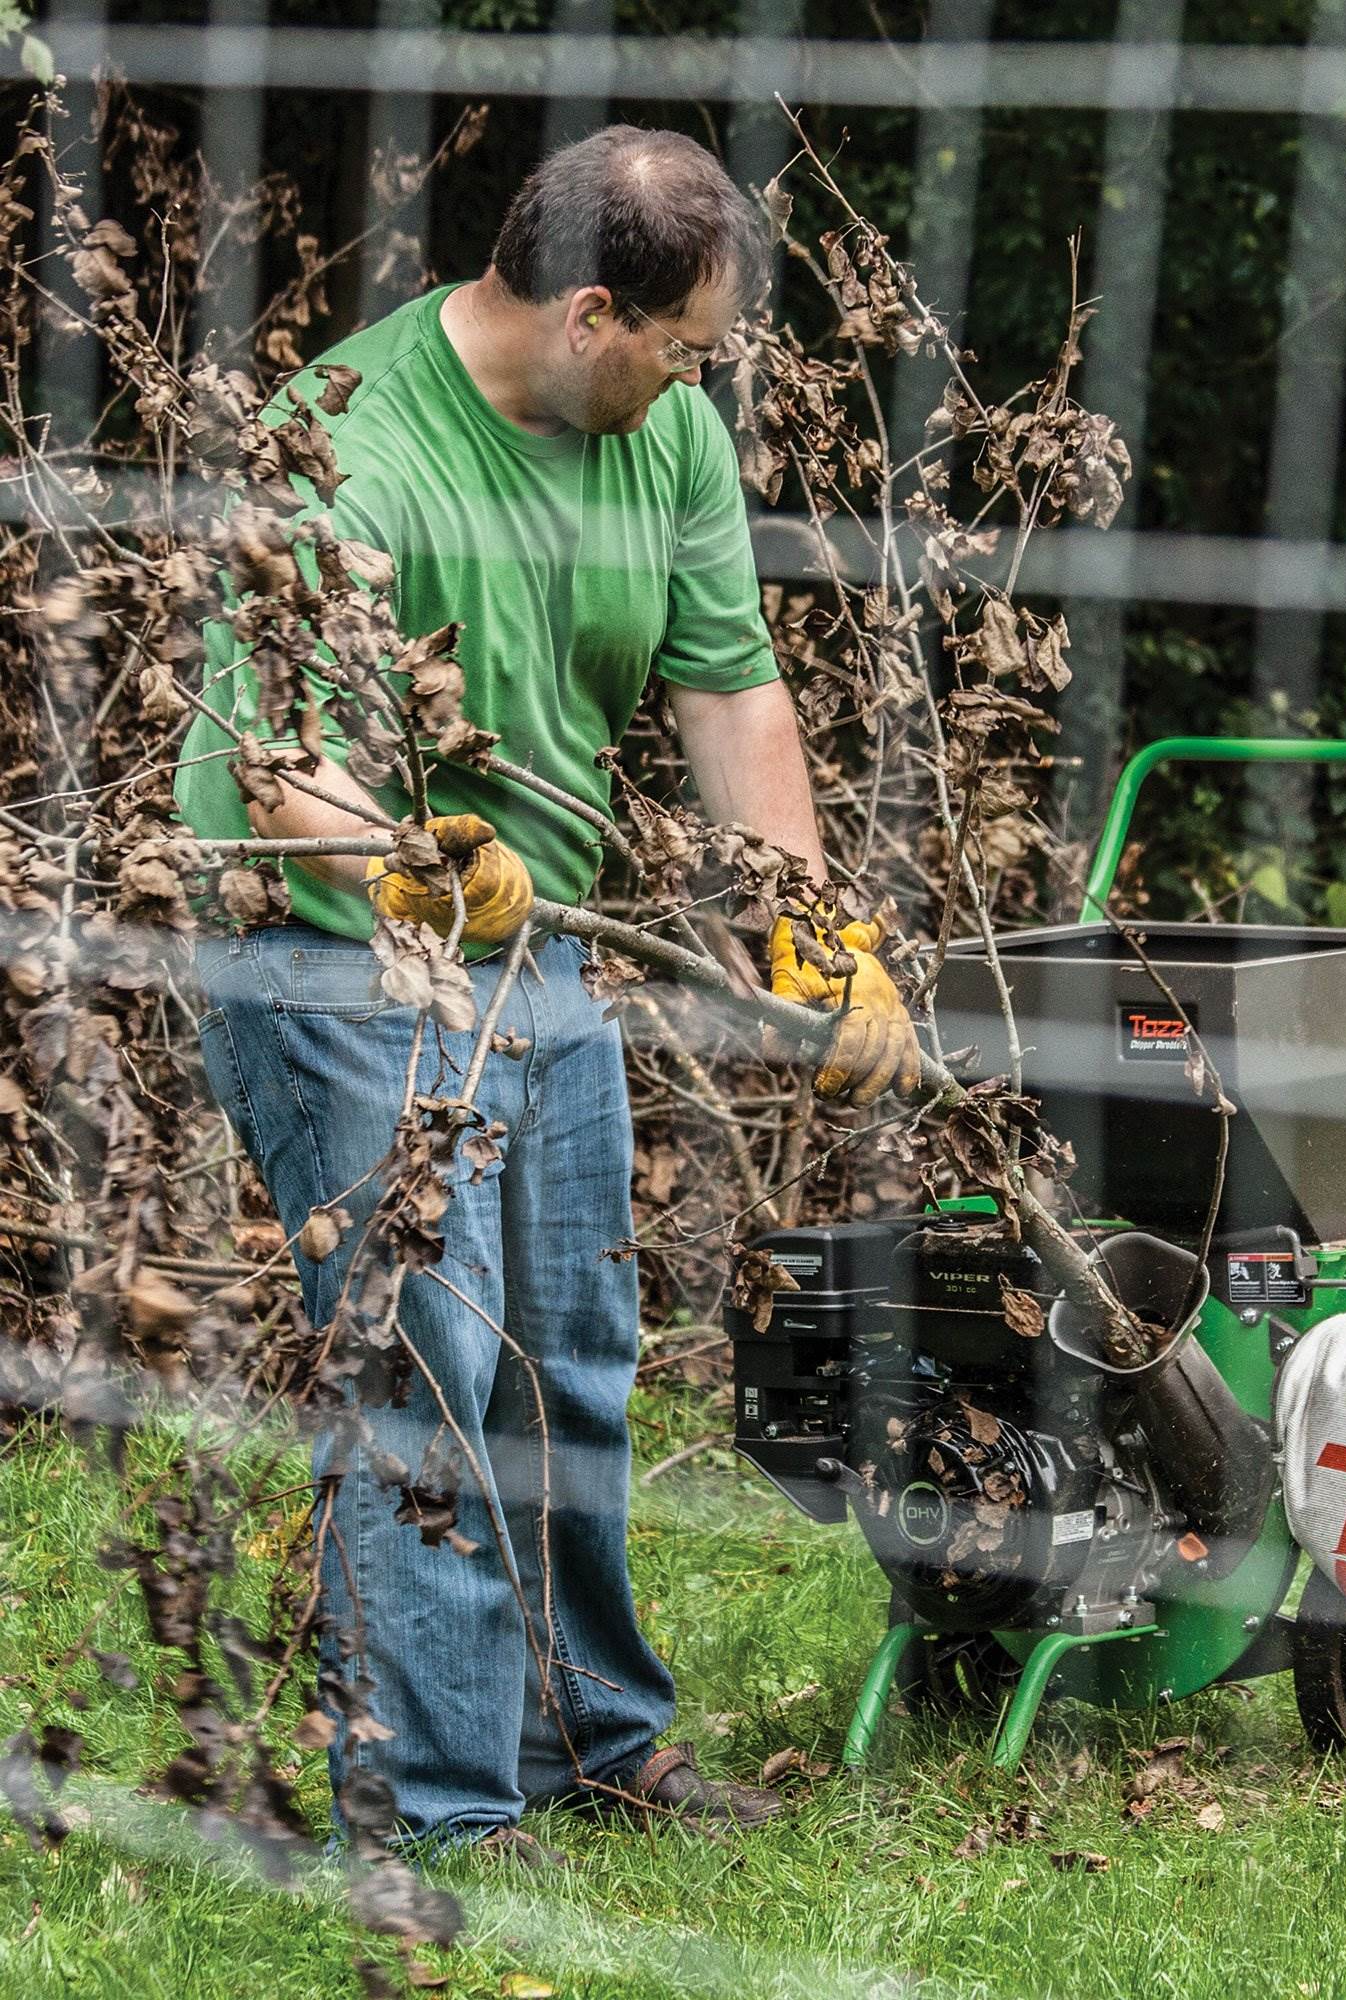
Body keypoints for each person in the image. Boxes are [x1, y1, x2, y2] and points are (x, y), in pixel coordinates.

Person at [173, 125, 920, 1865]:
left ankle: (587, 1735)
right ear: (592, 315)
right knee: (431, 1369)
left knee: (574, 1351)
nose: (696, 380)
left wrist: (812, 927)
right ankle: (436, 1808)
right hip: (331, 948)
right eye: (684, 348)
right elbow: (281, 761)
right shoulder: (348, 444)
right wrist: (414, 865)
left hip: (543, 941)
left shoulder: (667, 441)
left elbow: (732, 692)